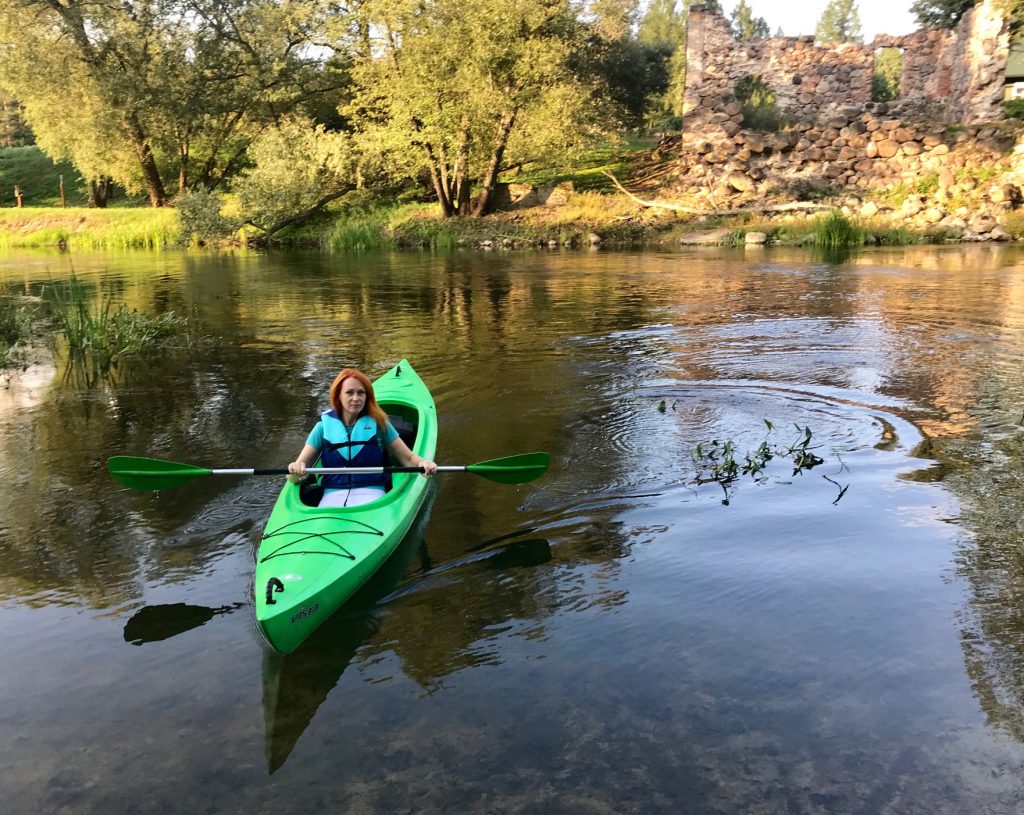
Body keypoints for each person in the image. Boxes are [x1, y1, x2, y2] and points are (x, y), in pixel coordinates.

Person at [287, 368, 437, 507]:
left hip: (372, 492)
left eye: (361, 393)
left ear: (367, 396)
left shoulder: (379, 424)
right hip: (332, 494)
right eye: (349, 392)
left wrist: (423, 463)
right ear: (338, 395)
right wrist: (295, 470)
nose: (356, 398)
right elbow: (295, 473)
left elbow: (408, 458)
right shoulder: (323, 427)